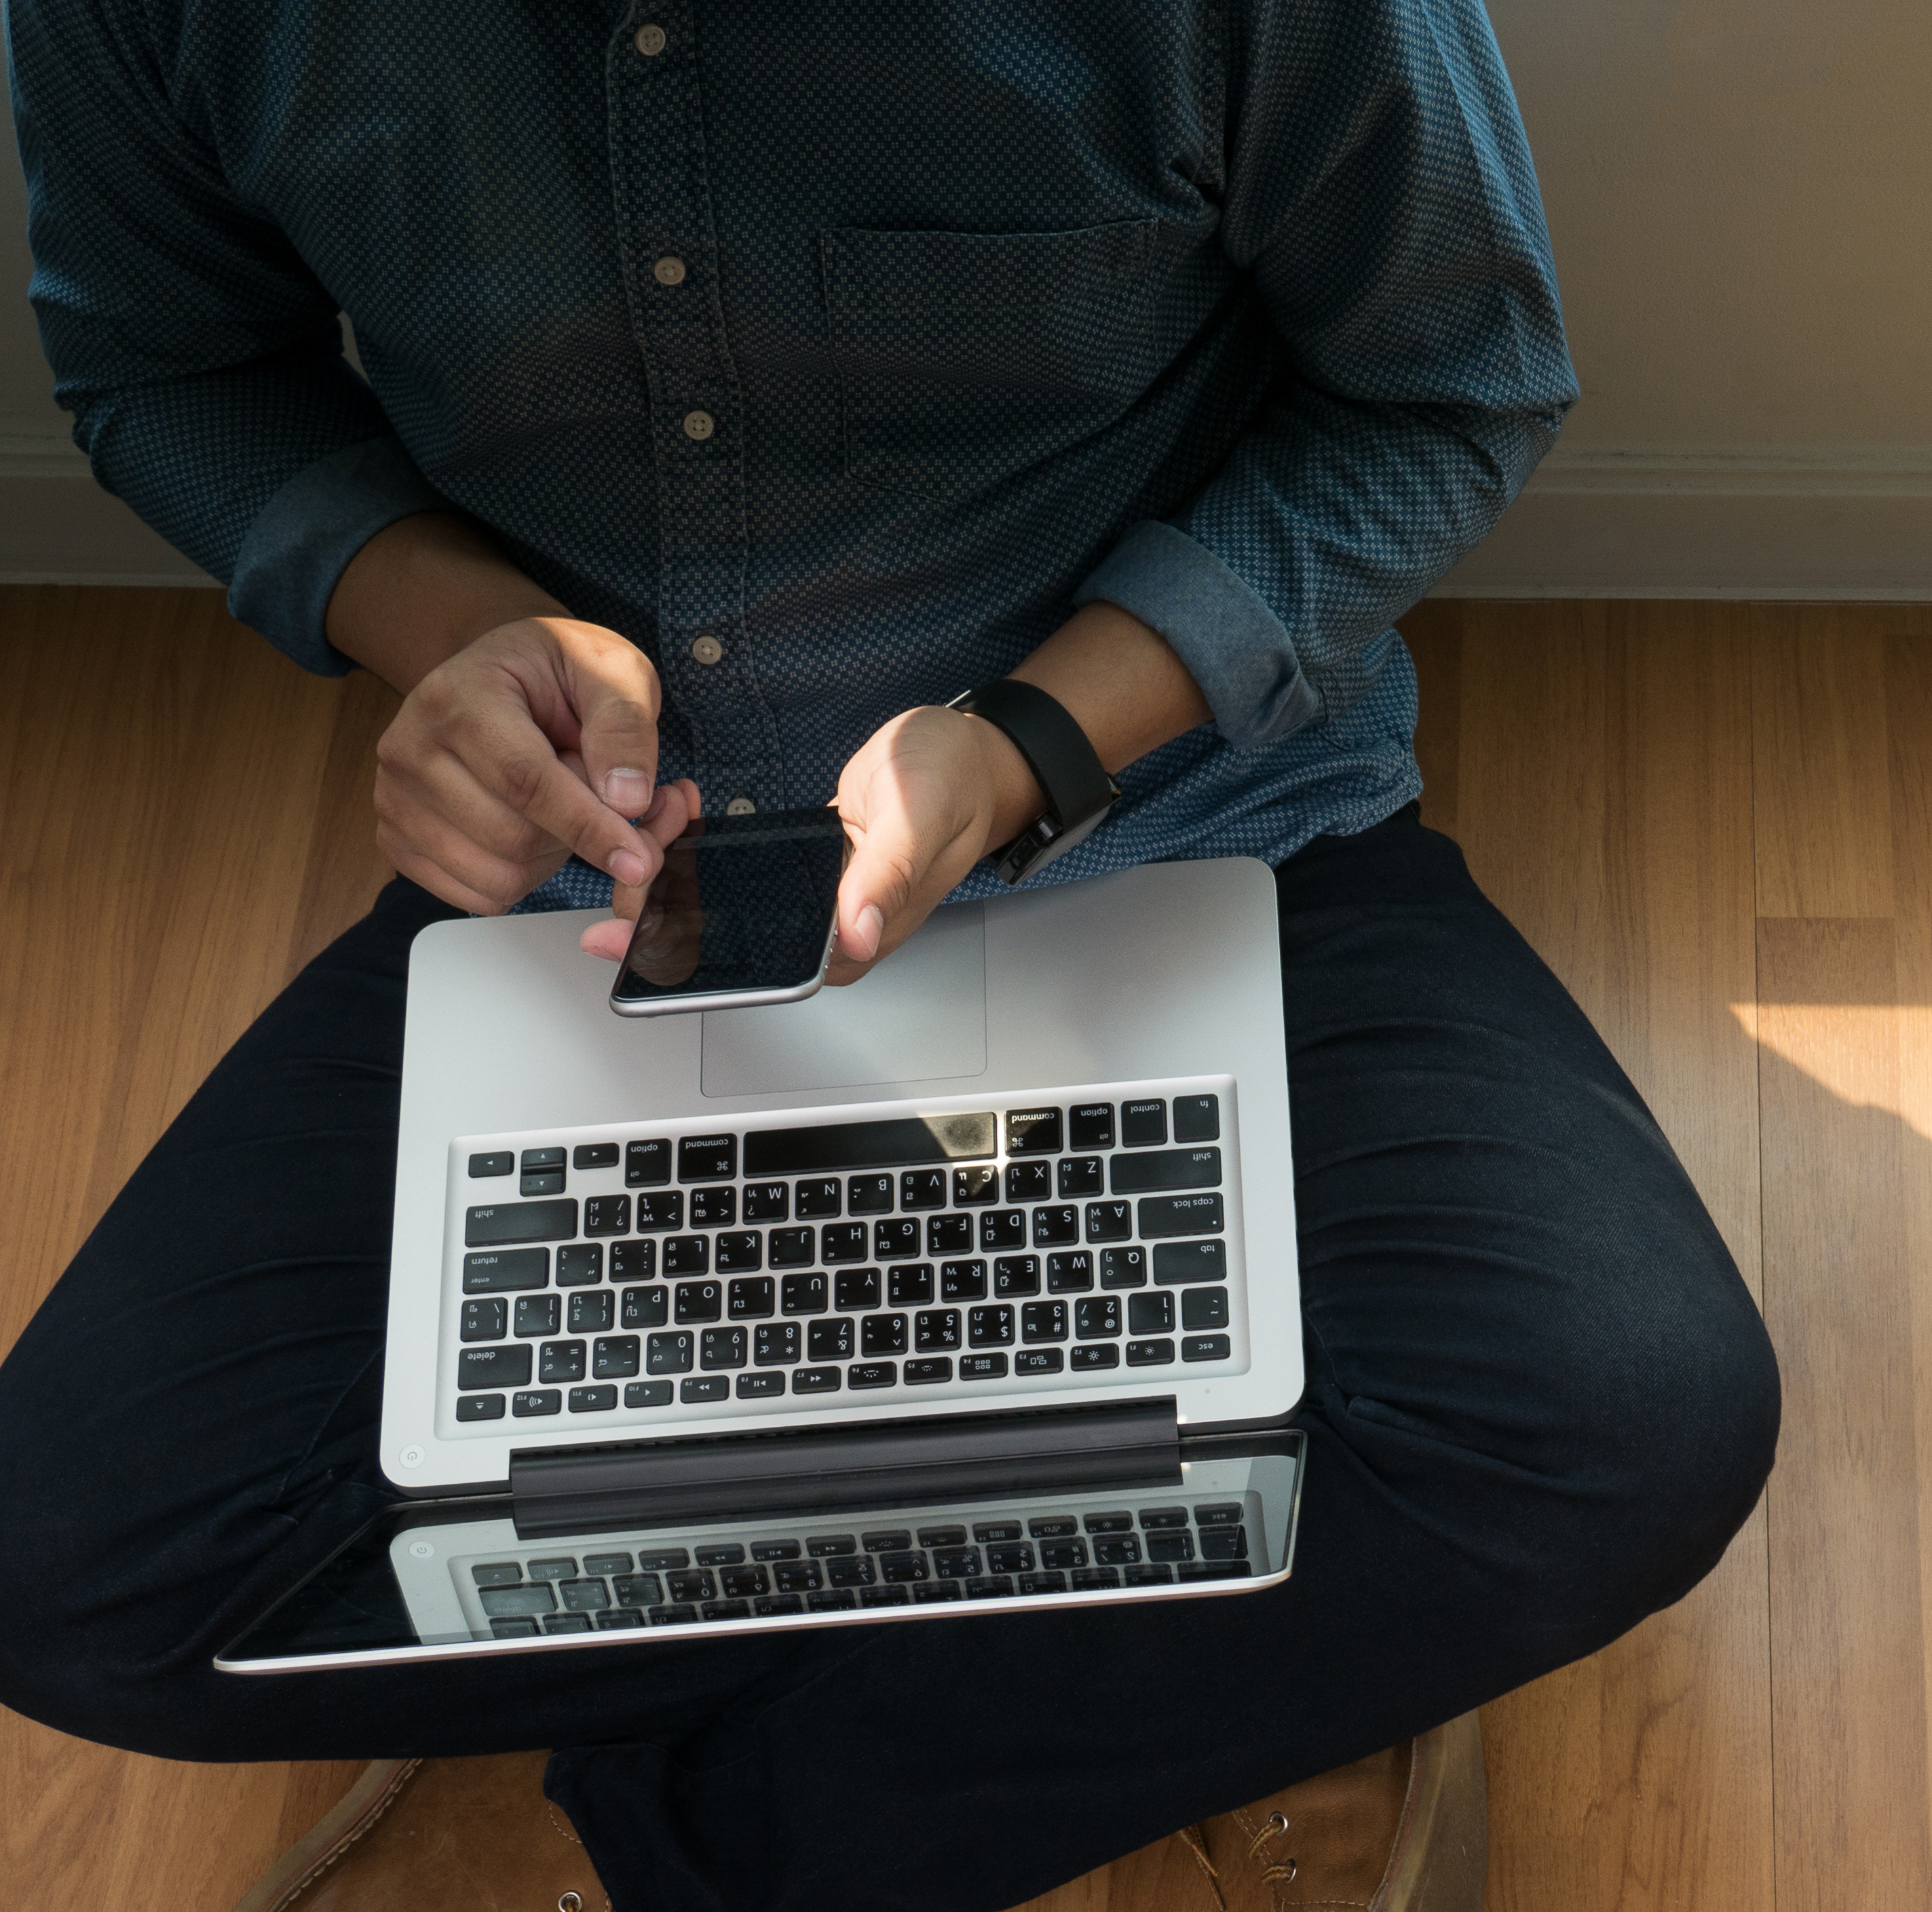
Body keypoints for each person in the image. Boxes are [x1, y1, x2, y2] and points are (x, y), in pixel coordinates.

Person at [0, 1, 1781, 1907]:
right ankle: (1214, 1651)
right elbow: (170, 369)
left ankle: (658, 1826)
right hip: (605, 895)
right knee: (67, 1568)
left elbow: (1446, 390)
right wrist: (472, 633)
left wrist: (1028, 744)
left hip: (1163, 817)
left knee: (1626, 1420)